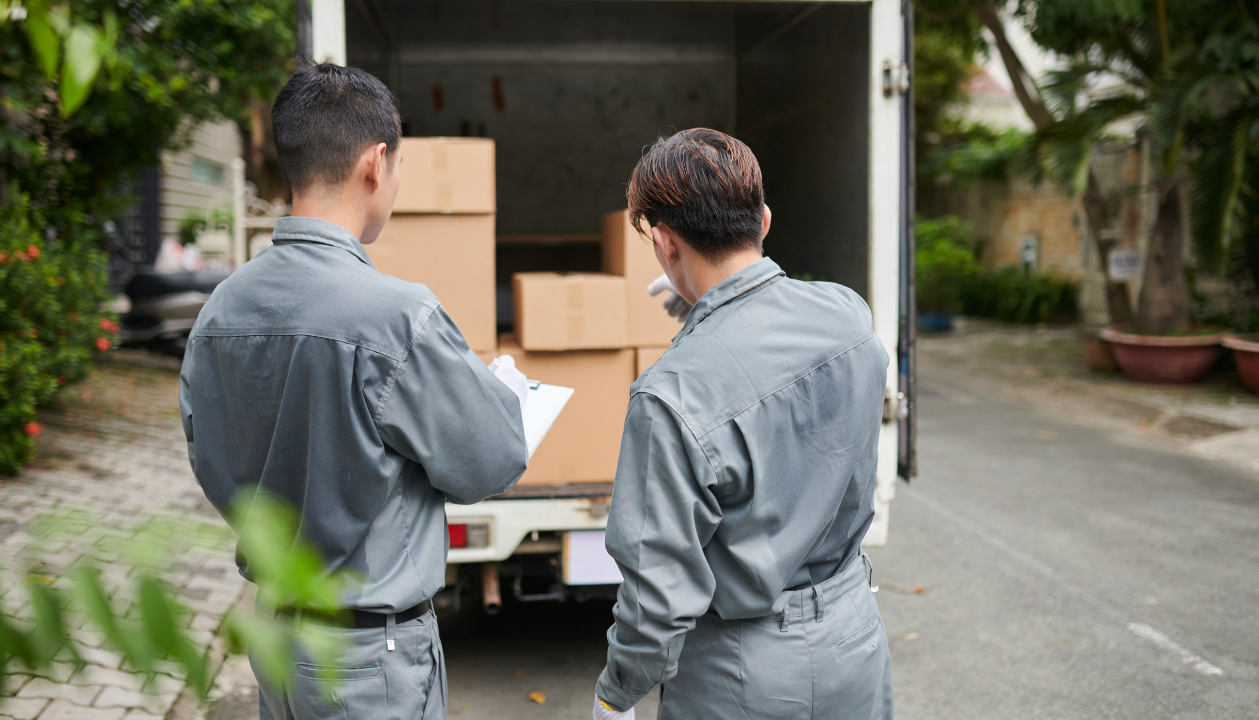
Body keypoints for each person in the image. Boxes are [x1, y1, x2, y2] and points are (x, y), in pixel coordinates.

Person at [179, 61, 530, 720]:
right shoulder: (397, 317)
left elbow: (213, 457)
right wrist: (497, 393)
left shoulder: (220, 313)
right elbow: (492, 462)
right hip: (371, 662)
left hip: (278, 639)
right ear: (376, 164)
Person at [592, 129, 893, 720]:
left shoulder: (669, 393)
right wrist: (709, 311)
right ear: (764, 219)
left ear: (664, 242)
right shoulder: (849, 315)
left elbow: (658, 594)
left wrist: (616, 694)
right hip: (855, 635)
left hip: (743, 669)